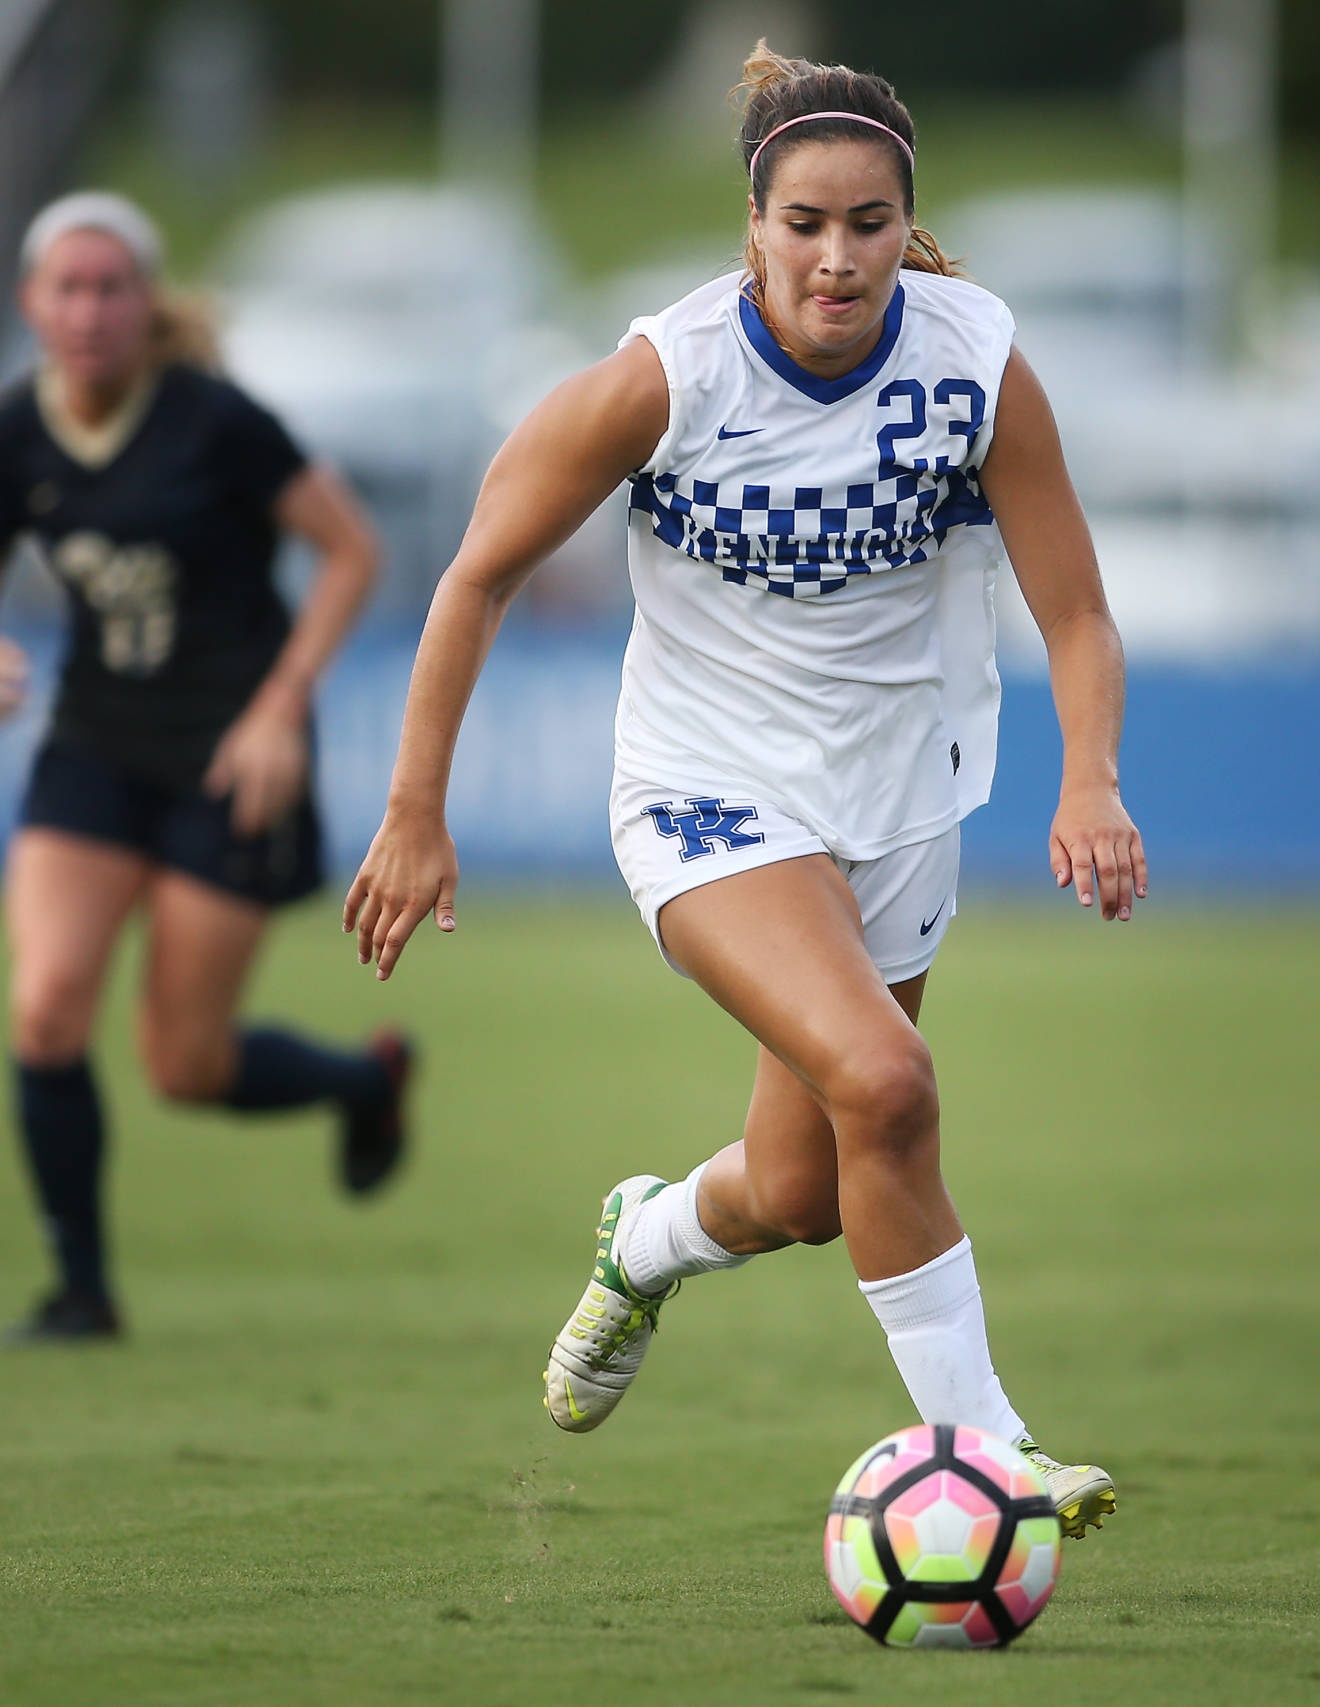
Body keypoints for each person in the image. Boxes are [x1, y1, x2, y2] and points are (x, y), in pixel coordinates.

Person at [345, 44, 1143, 1536]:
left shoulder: (974, 360)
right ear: (753, 228)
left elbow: (1079, 612)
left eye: (869, 223)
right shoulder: (670, 375)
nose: (836, 257)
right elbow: (476, 574)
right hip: (709, 793)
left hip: (903, 800)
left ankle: (640, 1243)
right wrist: (413, 808)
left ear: (911, 224)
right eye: (804, 224)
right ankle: (994, 1455)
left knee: (807, 1182)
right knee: (891, 1085)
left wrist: (1087, 776)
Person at [0, 192, 412, 1345]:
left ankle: (363, 1083)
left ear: (147, 306)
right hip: (95, 745)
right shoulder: (6, 434)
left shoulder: (217, 422)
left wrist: (280, 708)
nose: (90, 310)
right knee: (46, 1007)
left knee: (183, 1065)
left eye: (112, 288)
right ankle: (80, 1294)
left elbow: (351, 554)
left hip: (229, 757)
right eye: (69, 288)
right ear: (31, 304)